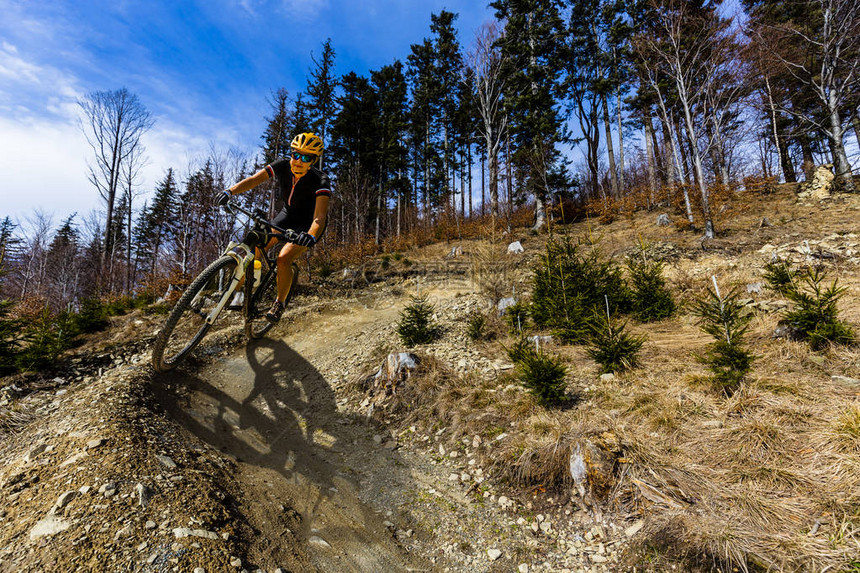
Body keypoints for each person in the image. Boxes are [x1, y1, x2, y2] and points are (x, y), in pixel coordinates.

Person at [219, 132, 331, 323]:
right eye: (295, 154)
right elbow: (255, 179)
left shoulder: (320, 180)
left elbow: (320, 217)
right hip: (286, 216)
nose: (298, 161)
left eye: (305, 157)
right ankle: (235, 293)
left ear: (313, 161)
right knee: (255, 250)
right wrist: (230, 191)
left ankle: (279, 303)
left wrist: (310, 236)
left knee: (283, 258)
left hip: (308, 225)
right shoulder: (282, 165)